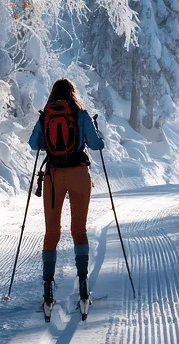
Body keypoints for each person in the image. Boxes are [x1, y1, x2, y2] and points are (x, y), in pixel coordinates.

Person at [27, 78, 105, 312]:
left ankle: (48, 292)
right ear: (73, 93)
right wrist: (95, 131)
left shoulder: (46, 115)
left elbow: (34, 143)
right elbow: (96, 145)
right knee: (78, 230)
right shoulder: (81, 114)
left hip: (53, 175)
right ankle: (83, 287)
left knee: (52, 232)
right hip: (79, 175)